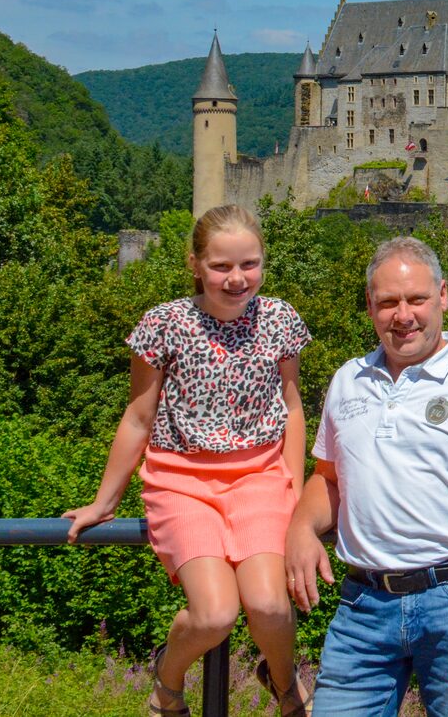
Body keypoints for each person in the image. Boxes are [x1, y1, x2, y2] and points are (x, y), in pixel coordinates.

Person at [64, 204, 312, 717]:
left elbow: (292, 408)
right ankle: (168, 679)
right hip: (182, 481)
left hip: (261, 478)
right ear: (196, 265)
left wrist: (292, 489)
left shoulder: (281, 319)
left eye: (250, 264)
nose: (238, 278)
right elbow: (138, 417)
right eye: (222, 266)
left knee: (268, 604)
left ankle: (284, 683)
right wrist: (103, 502)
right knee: (215, 614)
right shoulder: (163, 324)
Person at [286, 237, 448, 717]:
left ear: (443, 296)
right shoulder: (347, 380)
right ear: (371, 307)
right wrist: (299, 526)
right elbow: (329, 479)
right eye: (388, 302)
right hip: (363, 605)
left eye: (416, 299)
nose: (404, 315)